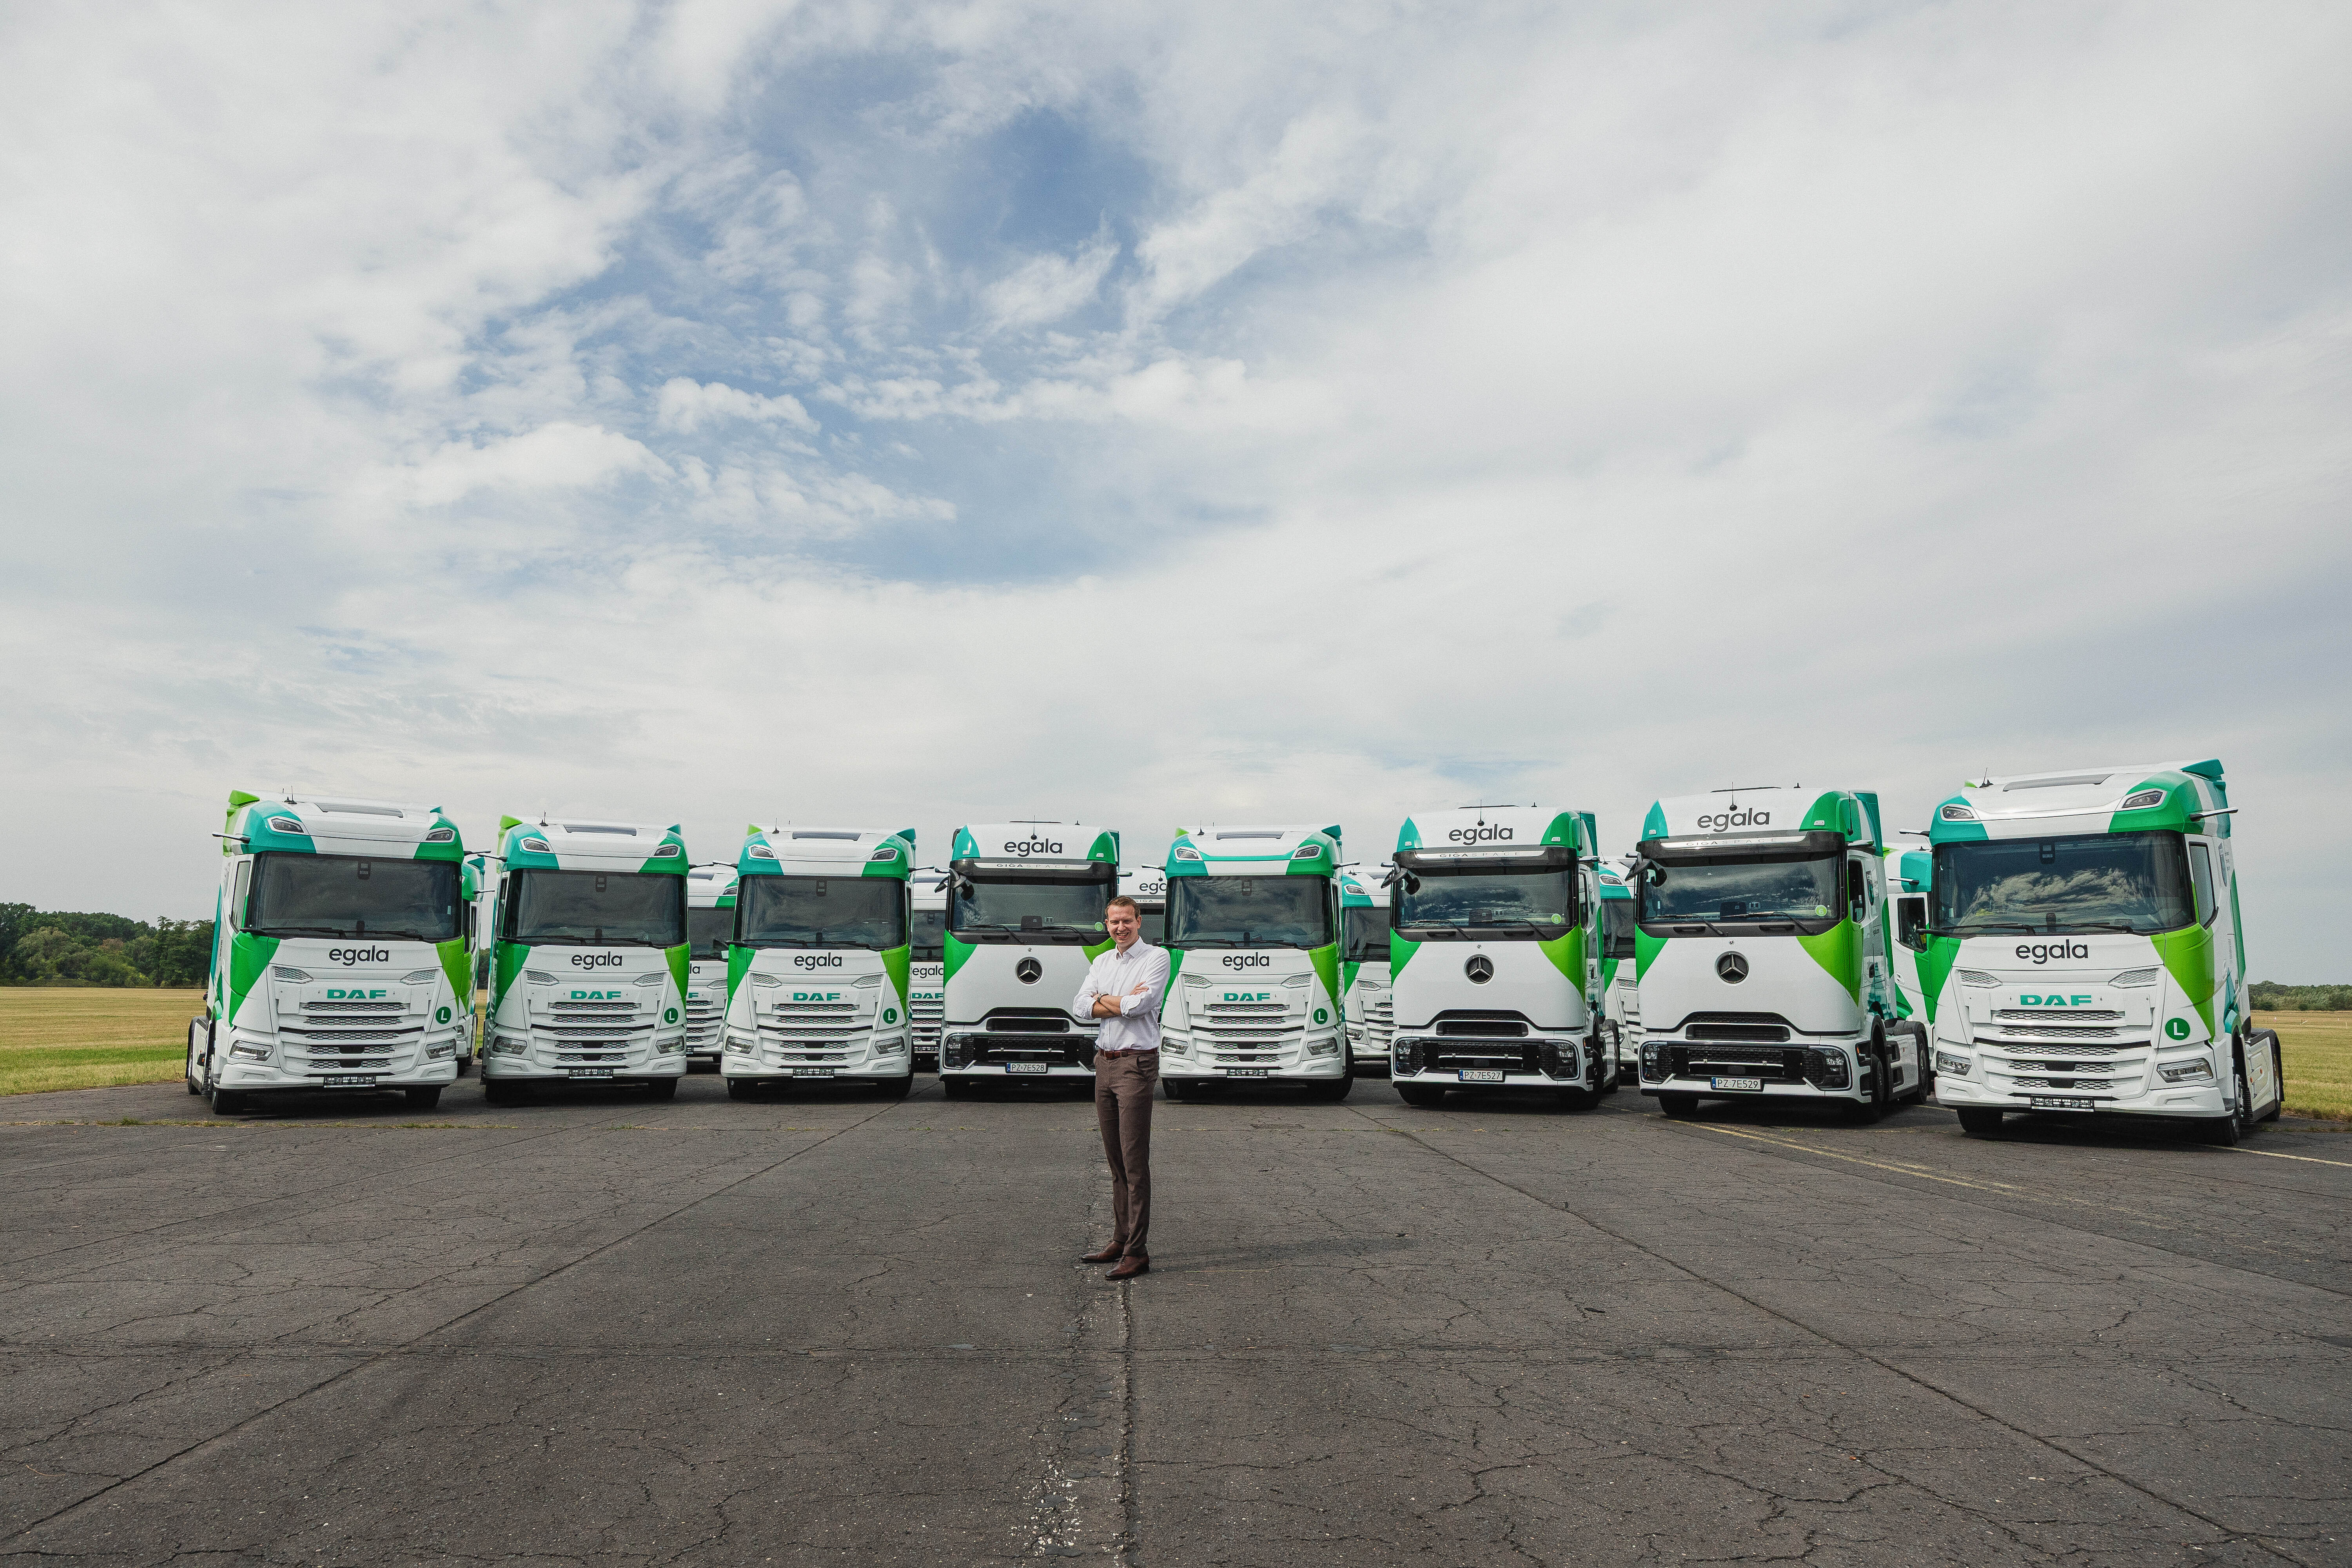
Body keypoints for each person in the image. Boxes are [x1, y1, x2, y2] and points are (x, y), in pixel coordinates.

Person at [1073, 893, 1169, 1279]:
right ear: (1107, 924)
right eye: (1114, 922)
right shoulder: (1101, 960)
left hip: (1135, 1064)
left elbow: (1141, 1005)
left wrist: (1105, 1001)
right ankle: (1120, 1237)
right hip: (1104, 1063)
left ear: (1139, 921)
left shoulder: (1156, 958)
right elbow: (1080, 1006)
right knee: (1115, 1163)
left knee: (1134, 1162)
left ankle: (1137, 1251)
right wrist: (1115, 1001)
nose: (1120, 928)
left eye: (1127, 920)